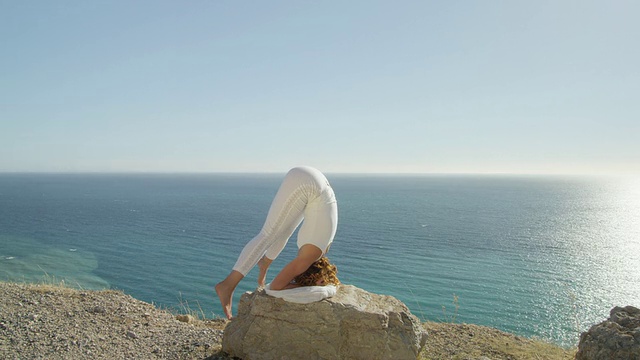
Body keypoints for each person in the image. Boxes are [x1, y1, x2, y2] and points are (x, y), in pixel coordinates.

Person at [215, 166, 338, 319]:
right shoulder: (306, 259)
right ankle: (227, 286)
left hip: (314, 182)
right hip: (308, 184)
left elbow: (283, 236)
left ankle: (264, 264)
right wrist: (304, 286)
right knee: (267, 234)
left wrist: (265, 266)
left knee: (281, 231)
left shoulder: (318, 249)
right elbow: (276, 287)